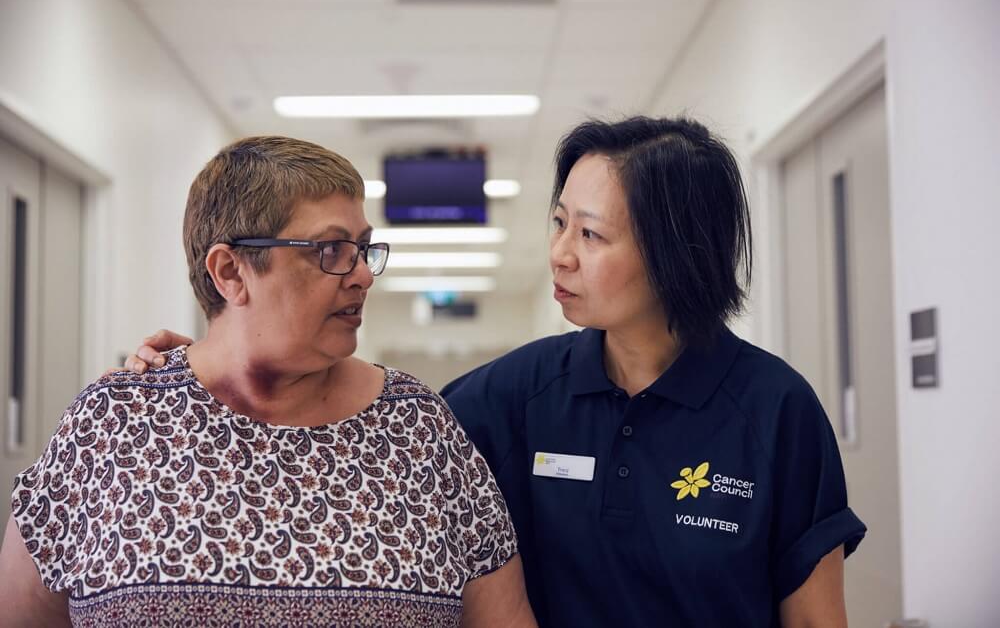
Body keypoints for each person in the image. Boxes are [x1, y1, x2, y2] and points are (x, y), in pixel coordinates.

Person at [123, 117, 865, 627]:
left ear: (680, 252)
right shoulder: (509, 397)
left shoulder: (775, 411)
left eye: (592, 234)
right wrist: (200, 372)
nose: (561, 253)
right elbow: (353, 434)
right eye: (558, 222)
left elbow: (814, 617)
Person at [0, 136, 536, 627]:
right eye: (332, 250)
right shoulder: (115, 422)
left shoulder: (418, 428)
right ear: (230, 272)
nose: (363, 274)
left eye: (363, 248)